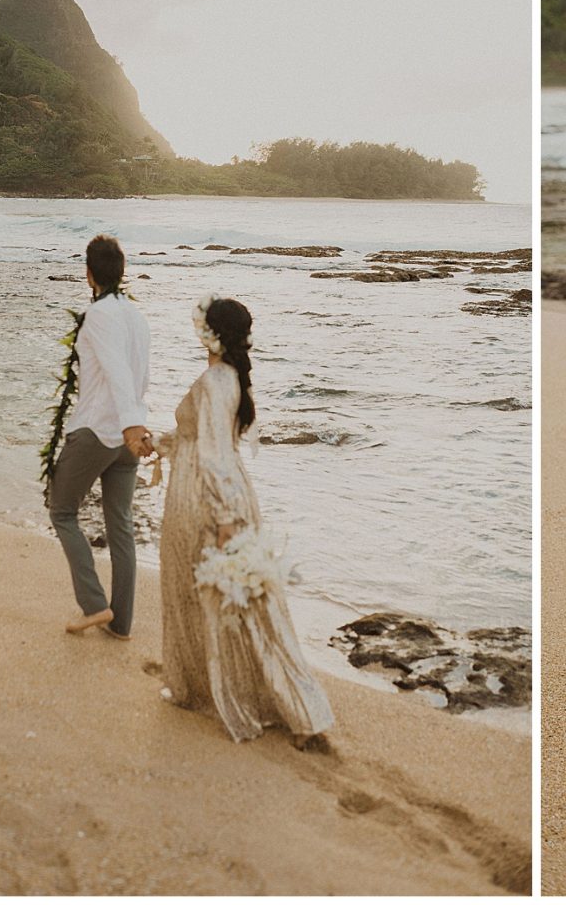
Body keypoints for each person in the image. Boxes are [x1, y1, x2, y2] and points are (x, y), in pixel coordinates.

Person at [154, 295, 335, 748]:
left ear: (208, 333)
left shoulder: (217, 381)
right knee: (221, 600)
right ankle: (200, 686)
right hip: (217, 492)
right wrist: (158, 444)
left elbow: (213, 457)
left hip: (206, 499)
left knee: (228, 601)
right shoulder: (230, 378)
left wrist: (226, 520)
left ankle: (274, 700)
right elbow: (200, 439)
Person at [47, 234, 152, 640]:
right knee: (120, 525)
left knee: (62, 510)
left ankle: (94, 605)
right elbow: (140, 375)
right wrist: (137, 423)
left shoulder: (99, 315)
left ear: (89, 274)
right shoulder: (137, 317)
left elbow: (116, 372)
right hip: (128, 435)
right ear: (121, 273)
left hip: (99, 430)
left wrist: (128, 425)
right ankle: (121, 623)